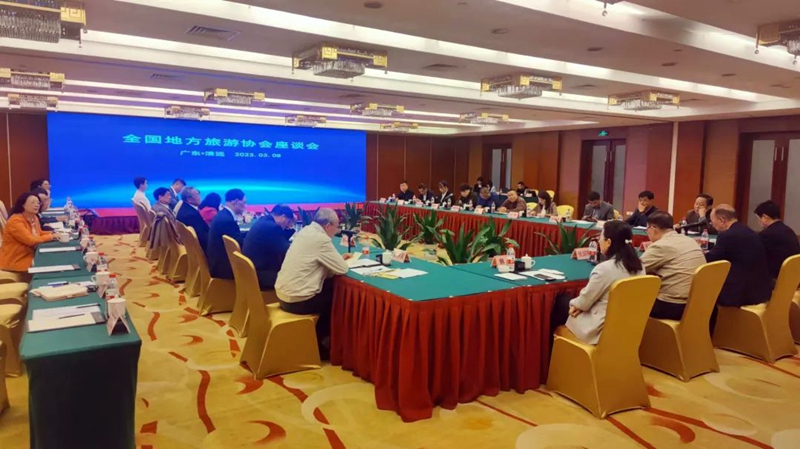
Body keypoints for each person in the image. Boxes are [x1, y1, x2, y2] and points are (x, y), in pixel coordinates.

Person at [551, 221, 645, 344]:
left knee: (562, 302)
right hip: (628, 326)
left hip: (600, 329)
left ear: (608, 242)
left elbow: (584, 302)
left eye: (601, 237)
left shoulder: (604, 269)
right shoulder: (640, 266)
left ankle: (556, 352)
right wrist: (582, 305)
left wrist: (577, 306)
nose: (599, 241)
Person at [275, 208, 352, 357]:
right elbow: (342, 269)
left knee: (329, 287)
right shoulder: (321, 239)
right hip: (298, 301)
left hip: (282, 294)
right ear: (328, 226)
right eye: (337, 227)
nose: (336, 231)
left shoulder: (305, 231)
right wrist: (338, 260)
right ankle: (322, 344)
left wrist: (333, 260)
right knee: (338, 297)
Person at [641, 212, 706, 320]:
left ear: (653, 228)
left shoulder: (661, 246)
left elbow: (635, 269)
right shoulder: (689, 240)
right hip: (696, 303)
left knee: (630, 300)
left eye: (647, 229)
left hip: (673, 305)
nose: (647, 233)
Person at [706, 205, 772, 308]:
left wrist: (699, 253)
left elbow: (710, 259)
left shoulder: (727, 236)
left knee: (703, 289)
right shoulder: (749, 231)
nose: (712, 225)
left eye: (712, 222)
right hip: (761, 289)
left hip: (741, 294)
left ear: (721, 220)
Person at [243, 204, 295, 290]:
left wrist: (288, 227)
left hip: (252, 271)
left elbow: (279, 239)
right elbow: (286, 250)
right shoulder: (272, 227)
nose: (288, 225)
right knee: (296, 277)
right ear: (283, 217)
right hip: (262, 275)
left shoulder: (264, 221)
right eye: (288, 222)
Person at [0, 192, 54, 274]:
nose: (36, 205)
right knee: (48, 263)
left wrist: (54, 233)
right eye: (33, 202)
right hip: (16, 260)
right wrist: (51, 236)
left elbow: (39, 233)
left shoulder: (34, 217)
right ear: (23, 205)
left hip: (29, 255)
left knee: (50, 258)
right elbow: (30, 240)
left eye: (38, 202)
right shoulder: (15, 221)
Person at [754, 200, 800, 279]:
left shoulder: (767, 234)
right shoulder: (789, 231)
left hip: (775, 278)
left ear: (764, 217)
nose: (759, 222)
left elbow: (757, 257)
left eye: (758, 219)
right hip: (793, 278)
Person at [207, 189, 247, 280]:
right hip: (224, 267)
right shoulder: (227, 220)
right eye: (244, 203)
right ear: (236, 202)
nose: (245, 206)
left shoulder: (223, 214)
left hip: (217, 261)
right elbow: (239, 244)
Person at [176, 186, 209, 253]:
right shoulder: (191, 215)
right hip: (200, 250)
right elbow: (202, 236)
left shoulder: (184, 208)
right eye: (197, 195)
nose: (200, 197)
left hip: (190, 246)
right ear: (189, 199)